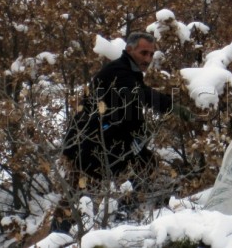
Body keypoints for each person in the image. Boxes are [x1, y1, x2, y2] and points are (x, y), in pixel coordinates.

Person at [55, 32, 184, 233]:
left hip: (105, 142)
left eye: (151, 54)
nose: (148, 59)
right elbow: (138, 96)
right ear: (129, 50)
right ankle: (57, 237)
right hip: (87, 145)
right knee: (79, 197)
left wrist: (141, 135)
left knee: (145, 165)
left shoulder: (129, 72)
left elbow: (130, 110)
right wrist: (173, 107)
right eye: (143, 53)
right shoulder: (119, 72)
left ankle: (123, 217)